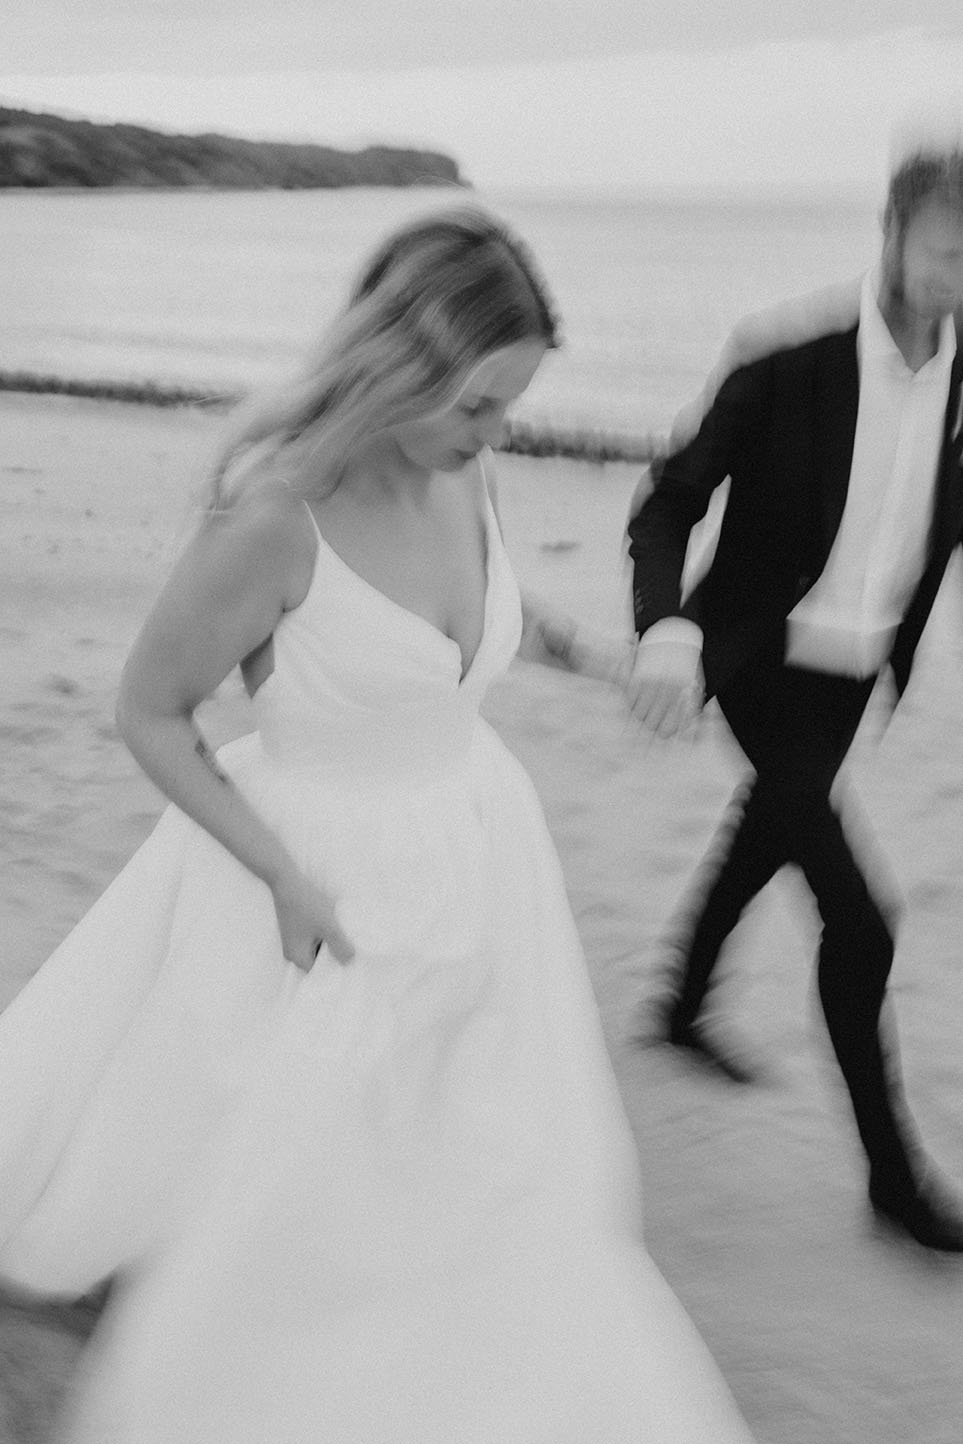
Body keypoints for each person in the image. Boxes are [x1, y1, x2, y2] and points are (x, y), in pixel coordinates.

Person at [0, 206, 758, 1442]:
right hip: (320, 871)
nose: (496, 431)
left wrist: (608, 662)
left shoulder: (472, 473)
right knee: (289, 1150)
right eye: (476, 402)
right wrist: (282, 879)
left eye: (510, 405)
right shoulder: (274, 521)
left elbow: (504, 618)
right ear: (396, 365)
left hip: (477, 843)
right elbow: (149, 714)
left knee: (462, 1141)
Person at [624, 121, 963, 1252]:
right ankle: (893, 1178)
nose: (959, 280)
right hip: (752, 654)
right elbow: (671, 498)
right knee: (861, 918)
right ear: (892, 234)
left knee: (772, 820)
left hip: (857, 667)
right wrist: (666, 630)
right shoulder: (785, 356)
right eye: (947, 252)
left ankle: (675, 1005)